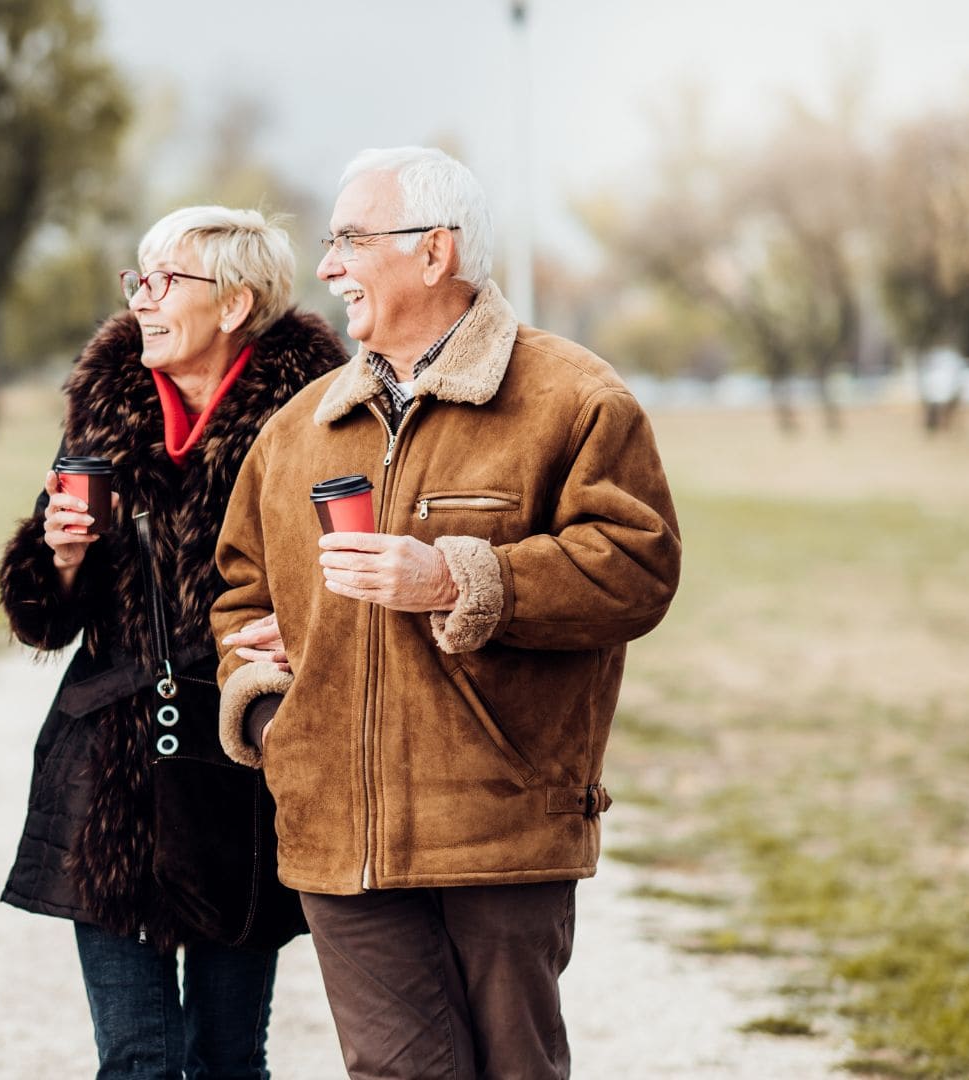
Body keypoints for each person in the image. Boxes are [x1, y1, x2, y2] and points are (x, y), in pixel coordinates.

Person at [211, 147, 682, 1079]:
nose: (328, 265)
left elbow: (638, 569)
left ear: (435, 253)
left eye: (349, 239)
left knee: (516, 1069)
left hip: (500, 828)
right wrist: (271, 712)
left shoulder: (576, 400)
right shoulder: (296, 430)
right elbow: (240, 595)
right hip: (337, 836)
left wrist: (458, 579)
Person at [0, 206, 345, 1078]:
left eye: (166, 282)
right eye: (138, 280)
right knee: (136, 1059)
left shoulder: (313, 422)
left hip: (242, 765)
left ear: (234, 305)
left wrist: (303, 633)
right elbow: (45, 619)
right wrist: (62, 556)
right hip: (112, 773)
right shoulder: (105, 411)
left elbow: (344, 577)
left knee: (229, 1058)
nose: (143, 300)